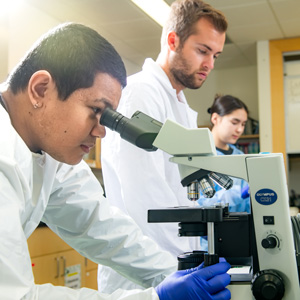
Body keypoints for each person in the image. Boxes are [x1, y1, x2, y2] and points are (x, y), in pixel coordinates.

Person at [0, 22, 231, 300]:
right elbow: (16, 296)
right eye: (96, 110)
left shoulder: (49, 151)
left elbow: (99, 225)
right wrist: (156, 298)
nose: (101, 130)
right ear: (40, 89)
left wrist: (174, 273)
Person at [99, 0, 228, 293]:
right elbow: (145, 195)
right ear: (173, 40)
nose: (209, 64)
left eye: (216, 55)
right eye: (202, 51)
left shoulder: (178, 102)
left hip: (175, 261)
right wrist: (186, 262)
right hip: (145, 267)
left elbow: (182, 192)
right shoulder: (140, 94)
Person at [197, 94, 250, 213]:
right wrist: (237, 195)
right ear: (215, 118)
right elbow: (198, 203)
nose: (240, 129)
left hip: (240, 226)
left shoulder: (240, 155)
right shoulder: (199, 156)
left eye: (243, 124)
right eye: (235, 122)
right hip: (211, 228)